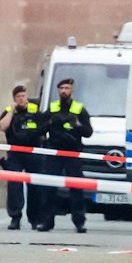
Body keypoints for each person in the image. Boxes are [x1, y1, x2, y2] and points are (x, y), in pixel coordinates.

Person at [35, 77, 93, 233]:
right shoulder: (52, 108)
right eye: (61, 88)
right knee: (49, 187)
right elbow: (39, 129)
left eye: (67, 88)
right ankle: (46, 222)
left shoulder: (79, 109)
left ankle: (79, 222)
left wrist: (78, 126)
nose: (64, 91)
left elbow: (89, 132)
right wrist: (50, 123)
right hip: (54, 151)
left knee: (76, 188)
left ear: (72, 90)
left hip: (72, 152)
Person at [0, 86, 45, 230]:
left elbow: (44, 128)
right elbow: (2, 126)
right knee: (14, 187)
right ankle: (15, 217)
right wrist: (11, 110)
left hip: (33, 152)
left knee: (36, 187)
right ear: (14, 98)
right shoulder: (9, 111)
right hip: (15, 153)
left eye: (23, 96)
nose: (21, 99)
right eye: (18, 96)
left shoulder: (35, 110)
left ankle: (35, 219)